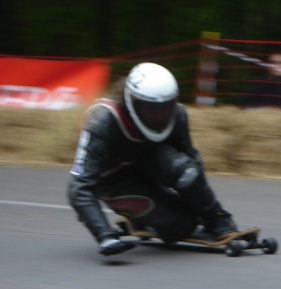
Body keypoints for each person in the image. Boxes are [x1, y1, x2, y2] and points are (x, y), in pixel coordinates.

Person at [68, 62, 238, 256]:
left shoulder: (178, 115)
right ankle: (139, 218)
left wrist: (212, 213)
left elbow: (192, 164)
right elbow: (78, 188)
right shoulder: (102, 121)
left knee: (187, 172)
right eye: (151, 109)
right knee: (182, 226)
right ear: (132, 102)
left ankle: (219, 220)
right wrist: (105, 236)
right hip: (113, 181)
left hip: (149, 162)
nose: (159, 116)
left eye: (165, 108)